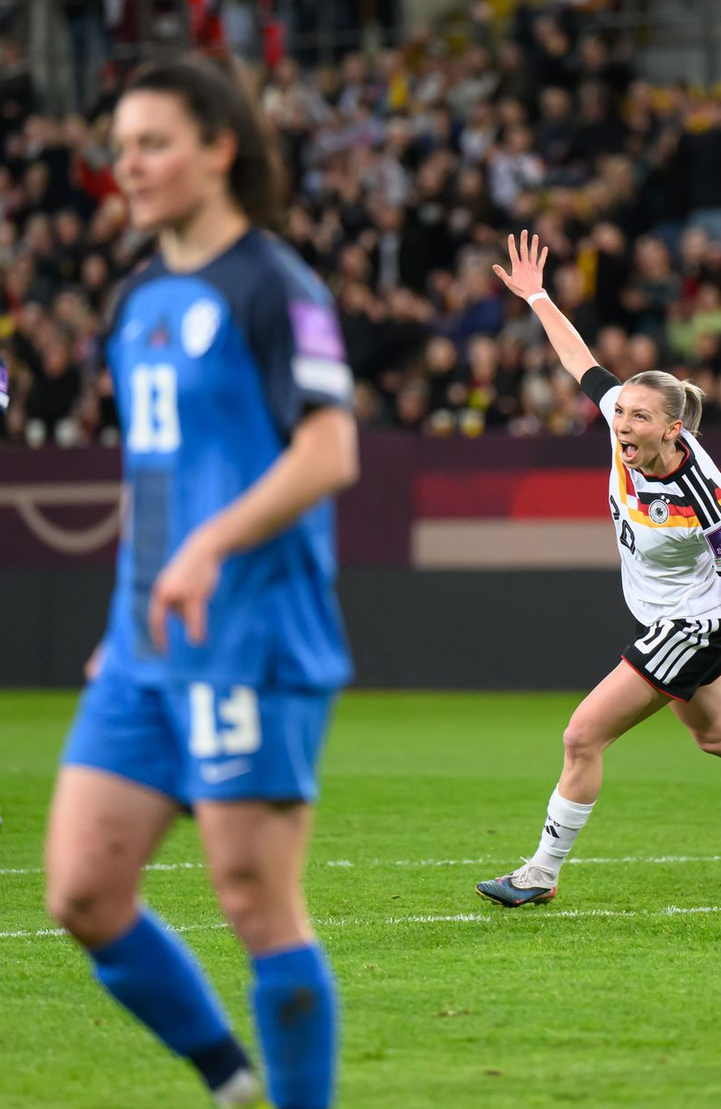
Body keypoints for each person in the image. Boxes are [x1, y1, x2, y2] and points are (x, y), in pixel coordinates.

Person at [43, 56, 358, 1107]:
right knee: (84, 890)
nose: (128, 164)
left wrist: (207, 548)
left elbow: (328, 453)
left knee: (253, 900)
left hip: (253, 632)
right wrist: (129, 602)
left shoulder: (280, 284)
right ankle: (231, 1083)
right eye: (120, 145)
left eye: (154, 142)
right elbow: (154, 480)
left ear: (219, 149)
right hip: (148, 638)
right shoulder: (139, 299)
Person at [475, 232, 721, 910]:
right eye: (620, 411)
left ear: (673, 429)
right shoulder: (626, 428)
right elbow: (580, 360)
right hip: (667, 618)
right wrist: (536, 296)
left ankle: (540, 872)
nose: (622, 423)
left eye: (638, 416)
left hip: (693, 625)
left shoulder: (703, 492)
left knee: (582, 733)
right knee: (718, 734)